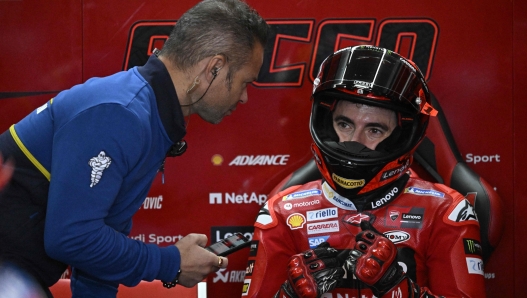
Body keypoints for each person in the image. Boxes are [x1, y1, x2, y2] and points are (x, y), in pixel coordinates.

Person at [0, 0, 269, 297]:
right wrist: (170, 262)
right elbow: (72, 238)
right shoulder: (120, 113)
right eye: (245, 82)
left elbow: (98, 251)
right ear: (214, 67)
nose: (244, 97)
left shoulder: (149, 115)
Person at [242, 46, 486, 297]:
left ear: (400, 137)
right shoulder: (281, 213)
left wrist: (397, 288)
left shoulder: (447, 211)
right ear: (326, 124)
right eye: (344, 124)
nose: (353, 142)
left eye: (374, 130)